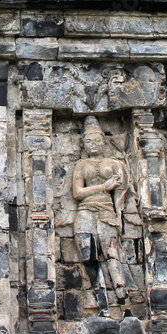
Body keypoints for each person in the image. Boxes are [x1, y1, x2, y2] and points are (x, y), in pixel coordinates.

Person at [71, 116, 128, 315]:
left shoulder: (114, 163)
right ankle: (102, 305)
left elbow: (120, 194)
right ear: (83, 144)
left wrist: (119, 216)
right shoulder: (81, 165)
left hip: (106, 211)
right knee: (89, 257)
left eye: (96, 141)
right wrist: (103, 186)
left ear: (104, 142)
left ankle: (124, 303)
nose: (93, 145)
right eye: (88, 142)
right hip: (85, 211)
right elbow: (77, 193)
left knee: (112, 256)